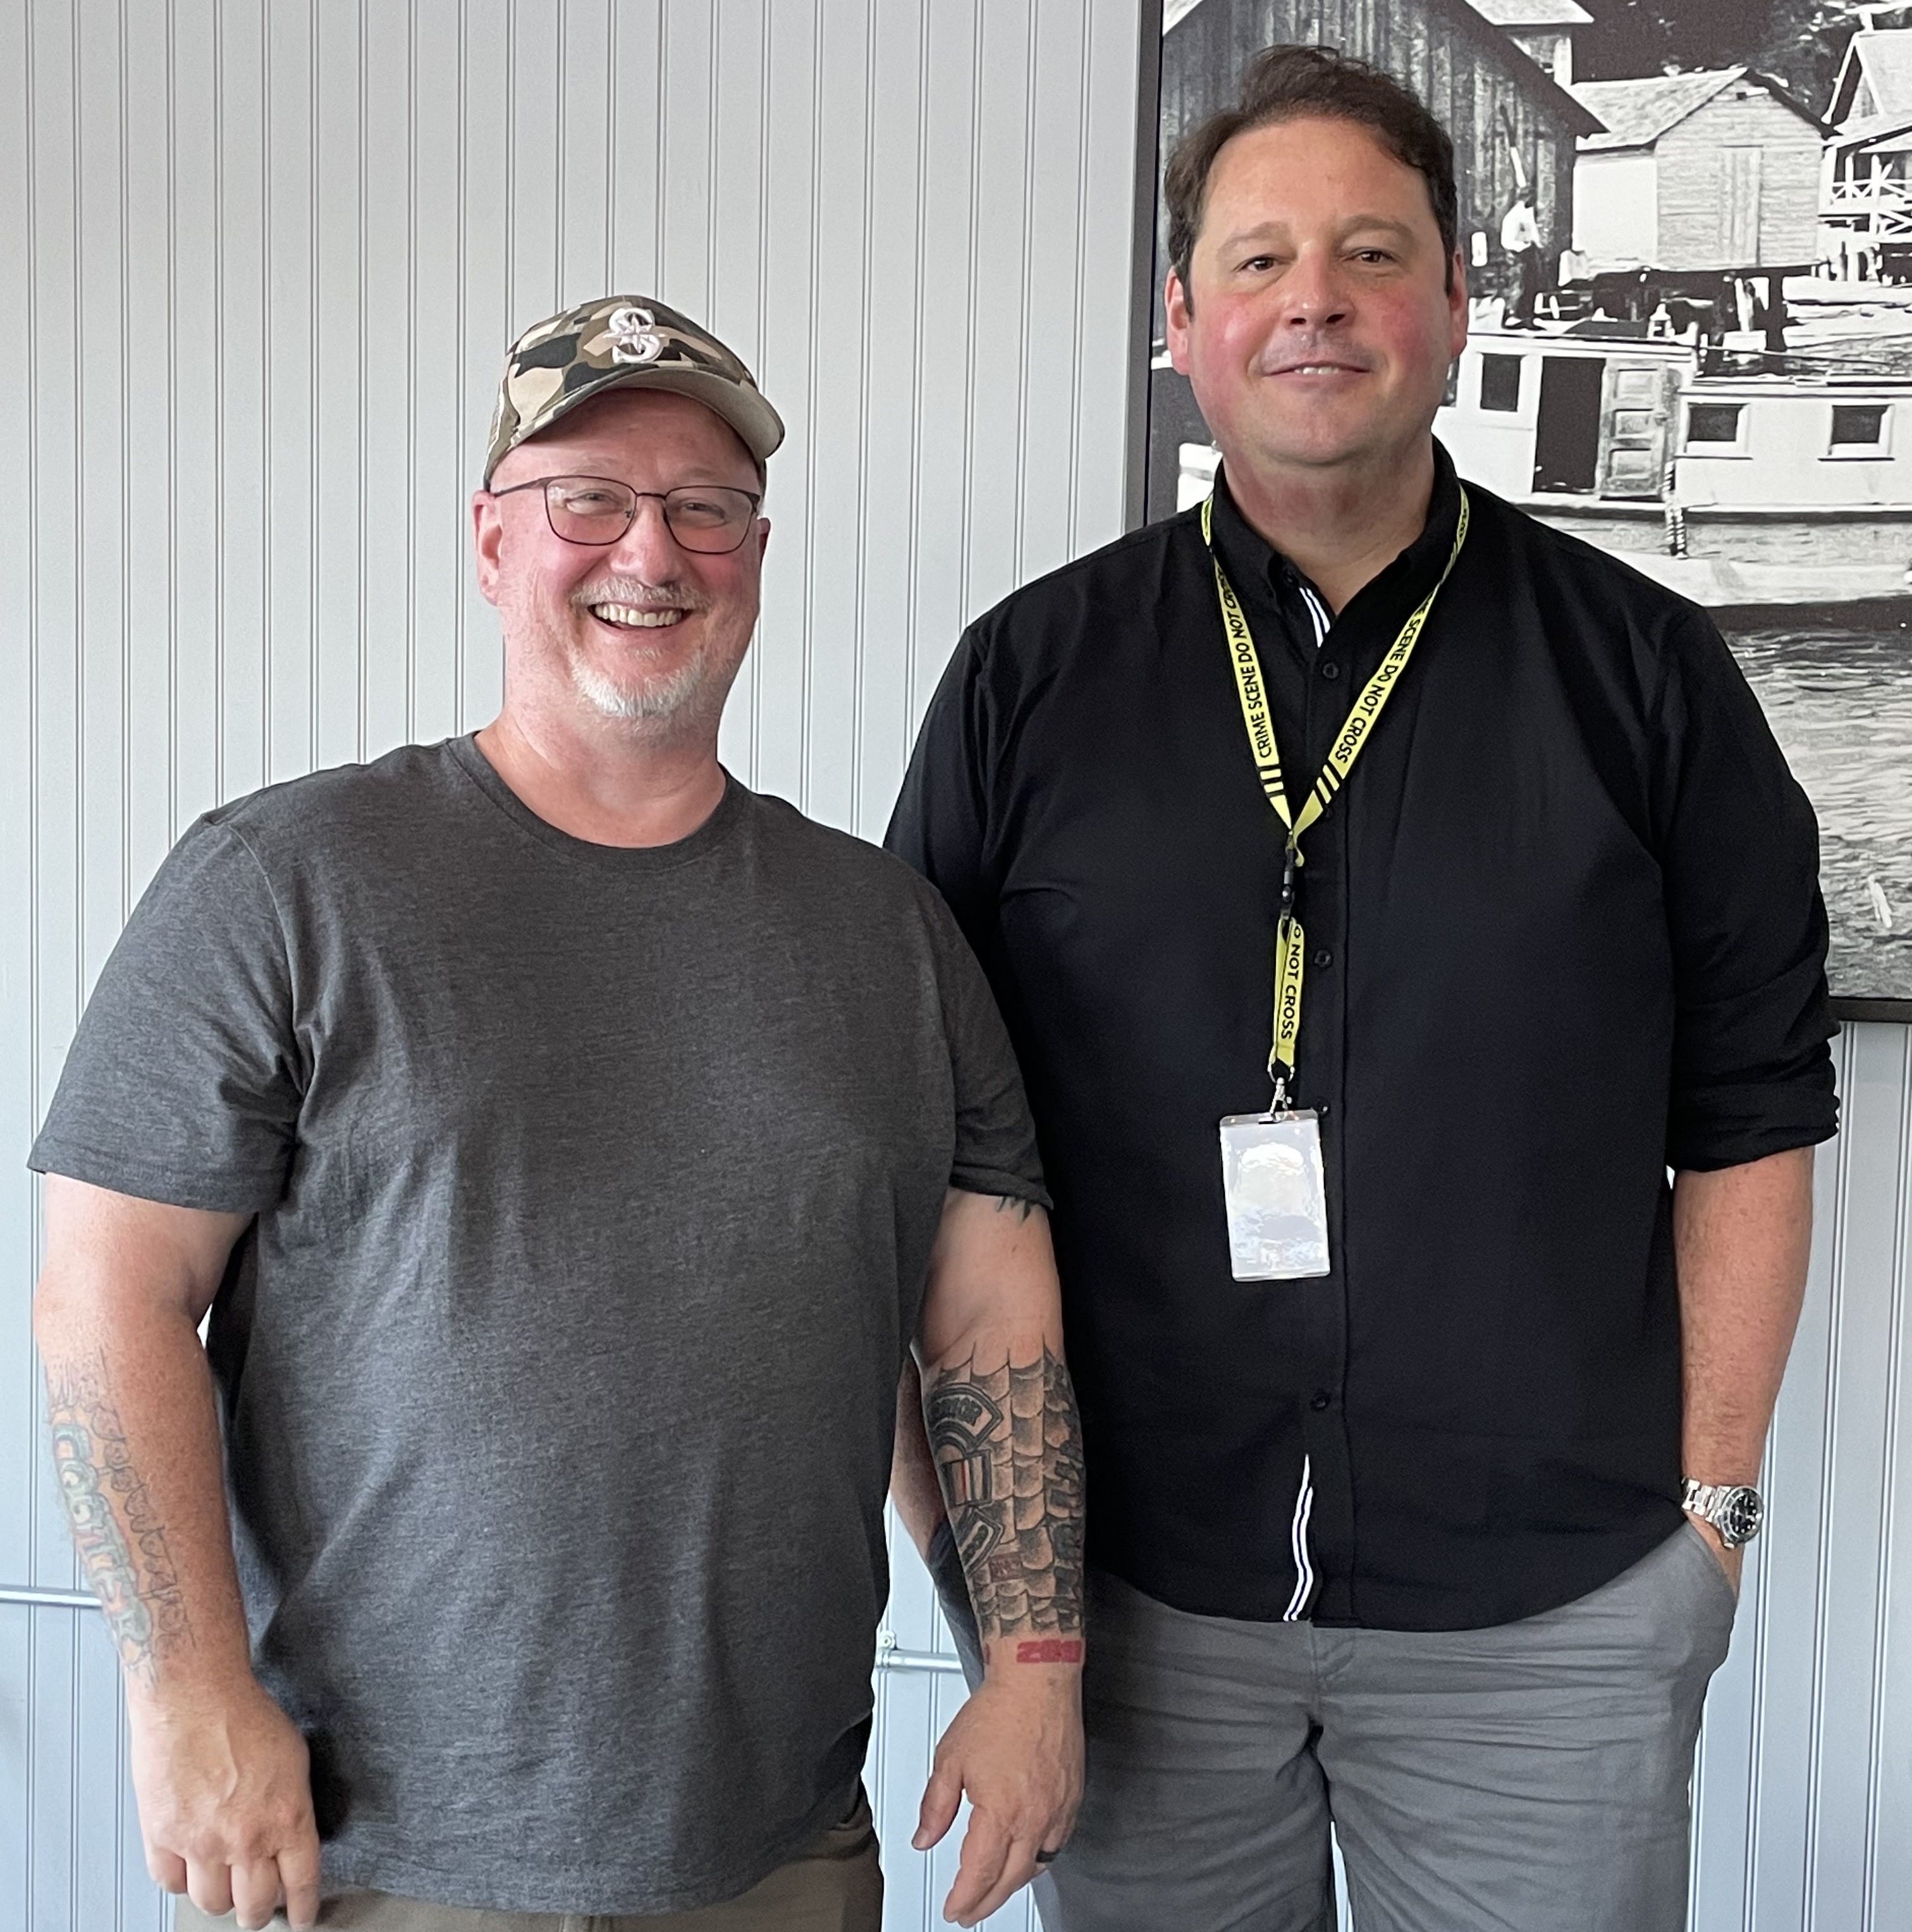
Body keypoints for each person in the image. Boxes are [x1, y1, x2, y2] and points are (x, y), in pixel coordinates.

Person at [888, 46, 1834, 1932]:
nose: (1313, 300)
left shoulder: (1650, 681)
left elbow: (1751, 1117)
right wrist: (977, 1559)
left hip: (1550, 1613)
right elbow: (916, 1137)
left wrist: (1710, 1524)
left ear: (1460, 302)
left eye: (1371, 252)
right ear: (1184, 322)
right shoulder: (1026, 681)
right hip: (1130, 1612)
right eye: (1259, 259)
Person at [30, 293, 1084, 1932]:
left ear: (757, 551)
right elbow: (108, 1295)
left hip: (777, 1853)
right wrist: (185, 1692)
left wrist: (1030, 1668)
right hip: (368, 1852)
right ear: (490, 540)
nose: (649, 551)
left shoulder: (890, 935)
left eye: (705, 508)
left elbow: (986, 1326)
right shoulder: (283, 884)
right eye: (588, 498)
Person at [1500, 188, 1542, 326]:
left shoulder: (1527, 214)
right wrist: (1521, 247)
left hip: (1529, 253)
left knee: (1530, 285)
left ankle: (1526, 314)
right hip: (1518, 254)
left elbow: (1533, 233)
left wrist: (1537, 246)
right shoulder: (1514, 216)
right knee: (1518, 285)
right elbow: (1506, 240)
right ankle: (1512, 315)